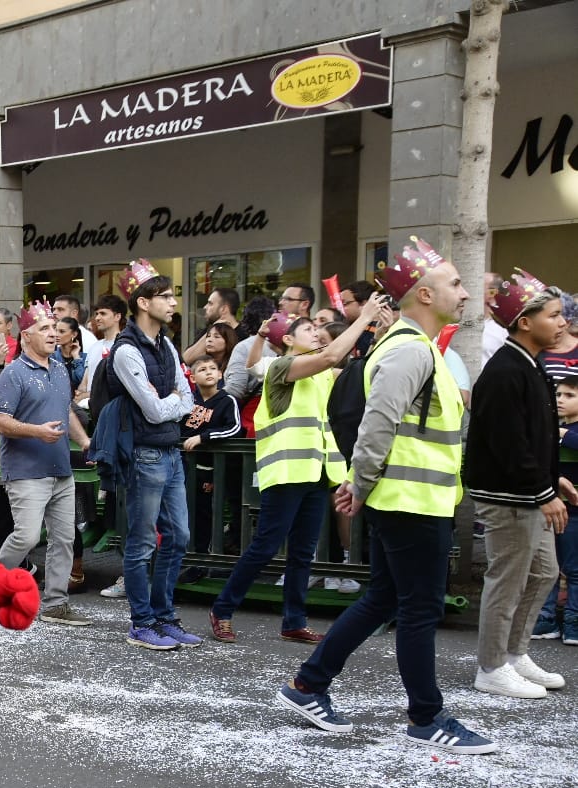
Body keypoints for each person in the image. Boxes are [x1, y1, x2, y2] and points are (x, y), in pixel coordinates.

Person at [277, 238, 496, 753]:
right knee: (418, 610)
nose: (464, 293)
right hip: (409, 504)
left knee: (384, 599)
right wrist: (361, 483)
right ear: (423, 294)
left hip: (412, 502)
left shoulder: (416, 348)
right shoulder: (408, 350)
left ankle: (309, 684)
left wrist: (361, 483)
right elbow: (378, 425)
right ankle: (426, 717)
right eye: (455, 284)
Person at [208, 313, 377, 644]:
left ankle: (294, 621)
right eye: (309, 330)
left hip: (316, 472)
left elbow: (355, 367)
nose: (317, 334)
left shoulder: (319, 373)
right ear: (287, 340)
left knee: (303, 551)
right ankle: (223, 609)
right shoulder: (280, 367)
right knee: (265, 547)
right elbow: (328, 355)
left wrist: (380, 331)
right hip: (286, 471)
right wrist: (366, 317)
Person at [464, 268, 572, 698]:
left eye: (562, 315)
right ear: (525, 322)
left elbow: (532, 436)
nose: (562, 322)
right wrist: (544, 491)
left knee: (545, 571)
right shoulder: (507, 369)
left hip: (526, 490)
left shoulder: (526, 363)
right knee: (507, 579)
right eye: (554, 315)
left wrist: (553, 480)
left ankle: (514, 654)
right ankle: (491, 666)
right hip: (508, 495)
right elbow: (510, 443)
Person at [99, 260, 197, 649]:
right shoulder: (126, 351)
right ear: (143, 302)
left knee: (178, 536)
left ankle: (164, 616)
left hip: (169, 452)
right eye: (166, 296)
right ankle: (142, 622)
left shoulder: (166, 344)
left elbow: (183, 399)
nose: (174, 303)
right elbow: (155, 409)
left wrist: (172, 401)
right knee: (142, 542)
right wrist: (173, 401)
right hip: (146, 454)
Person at [0, 308, 92, 627]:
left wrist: (86, 442)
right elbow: (0, 422)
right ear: (26, 336)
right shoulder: (13, 373)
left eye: (55, 328)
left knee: (64, 538)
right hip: (25, 470)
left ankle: (55, 604)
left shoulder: (60, 369)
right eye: (45, 328)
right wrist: (38, 431)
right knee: (27, 536)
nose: (53, 333)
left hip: (61, 468)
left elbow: (66, 412)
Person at [181, 353, 241, 563]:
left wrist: (203, 437)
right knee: (191, 513)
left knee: (208, 514)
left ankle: (205, 559)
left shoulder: (227, 400)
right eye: (202, 369)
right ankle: (190, 557)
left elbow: (234, 428)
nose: (209, 372)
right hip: (188, 468)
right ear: (193, 377)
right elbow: (181, 428)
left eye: (212, 369)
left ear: (220, 374)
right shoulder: (189, 401)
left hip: (215, 469)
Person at [534, 374, 578, 644]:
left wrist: (563, 435)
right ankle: (545, 619)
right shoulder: (551, 428)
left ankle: (573, 623)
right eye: (558, 395)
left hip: (574, 514)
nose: (560, 400)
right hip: (548, 509)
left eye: (569, 395)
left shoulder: (562, 432)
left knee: (574, 570)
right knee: (546, 568)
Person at [180, 287, 240, 366]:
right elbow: (185, 359)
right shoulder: (208, 330)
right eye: (209, 336)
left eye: (210, 303)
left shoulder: (243, 336)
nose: (205, 307)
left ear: (224, 309)